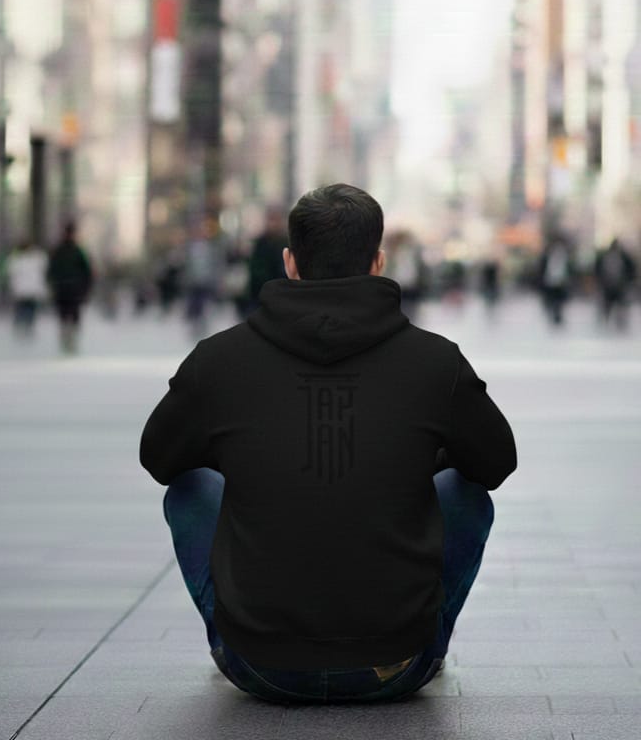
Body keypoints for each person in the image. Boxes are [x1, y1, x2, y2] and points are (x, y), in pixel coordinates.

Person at [140, 183, 516, 705]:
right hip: (397, 664)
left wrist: (248, 453)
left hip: (258, 666)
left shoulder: (218, 360)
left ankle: (233, 634)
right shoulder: (436, 362)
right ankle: (429, 636)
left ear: (290, 263)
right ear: (378, 262)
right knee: (465, 491)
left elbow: (159, 459)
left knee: (191, 486)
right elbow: (497, 463)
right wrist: (419, 455)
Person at [46, 220, 93, 353]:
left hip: (72, 289)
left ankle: (71, 342)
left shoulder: (76, 251)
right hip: (64, 289)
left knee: (72, 316)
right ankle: (67, 341)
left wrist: (86, 288)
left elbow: (87, 272)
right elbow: (51, 270)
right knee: (65, 316)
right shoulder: (64, 251)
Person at [247, 206, 288, 310]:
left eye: (276, 219)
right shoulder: (261, 243)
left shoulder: (286, 242)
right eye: (271, 219)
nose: (274, 224)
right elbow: (255, 271)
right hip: (262, 296)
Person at [6, 238, 48, 337]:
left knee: (22, 309)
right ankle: (26, 327)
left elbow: (10, 272)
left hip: (22, 290)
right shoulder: (36, 257)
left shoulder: (15, 258)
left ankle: (22, 327)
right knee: (28, 309)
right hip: (30, 290)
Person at [594, 237, 636, 329]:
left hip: (617, 285)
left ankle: (615, 320)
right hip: (611, 285)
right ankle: (610, 319)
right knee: (611, 304)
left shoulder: (622, 257)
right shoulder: (616, 256)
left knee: (617, 304)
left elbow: (631, 270)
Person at [538, 233, 573, 326]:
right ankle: (555, 315)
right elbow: (542, 268)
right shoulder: (547, 254)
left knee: (559, 301)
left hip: (561, 281)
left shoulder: (565, 254)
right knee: (552, 300)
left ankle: (558, 316)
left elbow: (569, 268)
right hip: (550, 281)